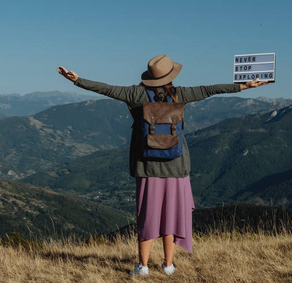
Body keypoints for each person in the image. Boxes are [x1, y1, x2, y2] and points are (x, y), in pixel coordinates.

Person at [57, 54, 269, 276]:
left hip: (147, 166)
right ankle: (168, 265)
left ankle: (143, 266)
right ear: (170, 75)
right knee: (171, 215)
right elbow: (210, 89)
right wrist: (244, 85)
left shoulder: (137, 94)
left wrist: (77, 80)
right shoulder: (180, 94)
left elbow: (107, 89)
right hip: (176, 165)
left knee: (147, 215)